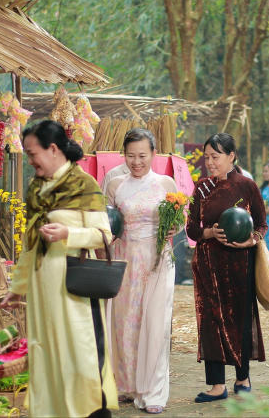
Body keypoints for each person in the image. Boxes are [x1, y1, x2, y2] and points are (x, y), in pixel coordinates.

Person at [0, 120, 117, 418]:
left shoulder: (84, 185)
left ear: (53, 149)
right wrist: (17, 288)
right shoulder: (35, 188)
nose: (30, 161)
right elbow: (29, 245)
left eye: (32, 153)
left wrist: (68, 234)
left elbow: (104, 235)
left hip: (74, 288)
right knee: (47, 354)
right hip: (42, 289)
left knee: (80, 356)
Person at [186, 133, 268, 403]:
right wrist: (209, 233)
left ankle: (242, 377)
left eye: (215, 156)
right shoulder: (201, 188)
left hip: (239, 265)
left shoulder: (247, 186)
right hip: (208, 265)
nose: (210, 162)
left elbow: (261, 224)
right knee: (210, 321)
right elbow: (191, 228)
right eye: (207, 157)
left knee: (239, 319)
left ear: (231, 156)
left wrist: (251, 240)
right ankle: (216, 385)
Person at [105, 129, 177, 414]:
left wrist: (174, 227)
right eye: (131, 156)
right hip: (124, 260)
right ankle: (128, 384)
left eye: (142, 156)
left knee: (156, 324)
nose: (136, 162)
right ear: (124, 155)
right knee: (126, 324)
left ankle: (153, 391)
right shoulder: (115, 184)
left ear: (153, 154)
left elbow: (178, 220)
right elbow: (107, 222)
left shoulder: (166, 183)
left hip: (157, 261)